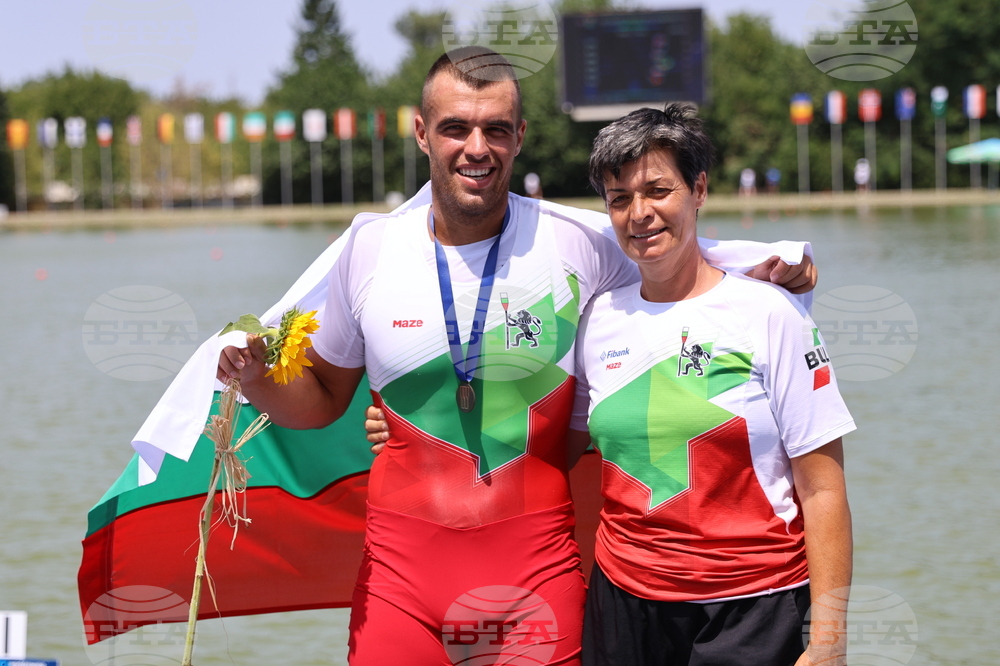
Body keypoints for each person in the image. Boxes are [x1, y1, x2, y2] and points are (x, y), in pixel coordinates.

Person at [220, 47, 817, 666]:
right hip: (399, 586)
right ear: (423, 133)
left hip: (536, 582)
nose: (476, 147)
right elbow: (319, 400)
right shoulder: (369, 249)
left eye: (496, 129)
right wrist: (258, 380)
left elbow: (675, 247)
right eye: (456, 127)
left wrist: (779, 264)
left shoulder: (575, 242)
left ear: (520, 137)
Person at [569, 104, 855, 665]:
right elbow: (555, 437)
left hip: (754, 608)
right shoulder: (596, 319)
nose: (640, 213)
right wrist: (393, 428)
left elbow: (823, 490)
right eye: (620, 199)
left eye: (658, 190)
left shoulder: (772, 315)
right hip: (623, 606)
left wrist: (828, 640)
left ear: (698, 190)